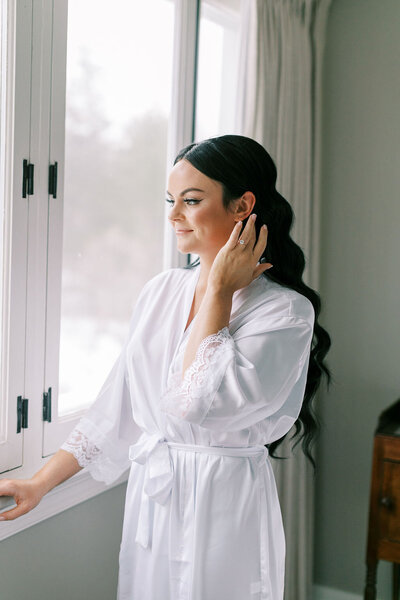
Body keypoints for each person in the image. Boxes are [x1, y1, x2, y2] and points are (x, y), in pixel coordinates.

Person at [0, 135, 331, 599]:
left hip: (224, 504)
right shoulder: (160, 292)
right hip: (154, 501)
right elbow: (118, 406)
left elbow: (197, 405)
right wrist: (38, 483)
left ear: (243, 206)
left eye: (191, 201)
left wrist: (217, 292)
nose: (173, 216)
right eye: (170, 201)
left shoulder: (285, 313)